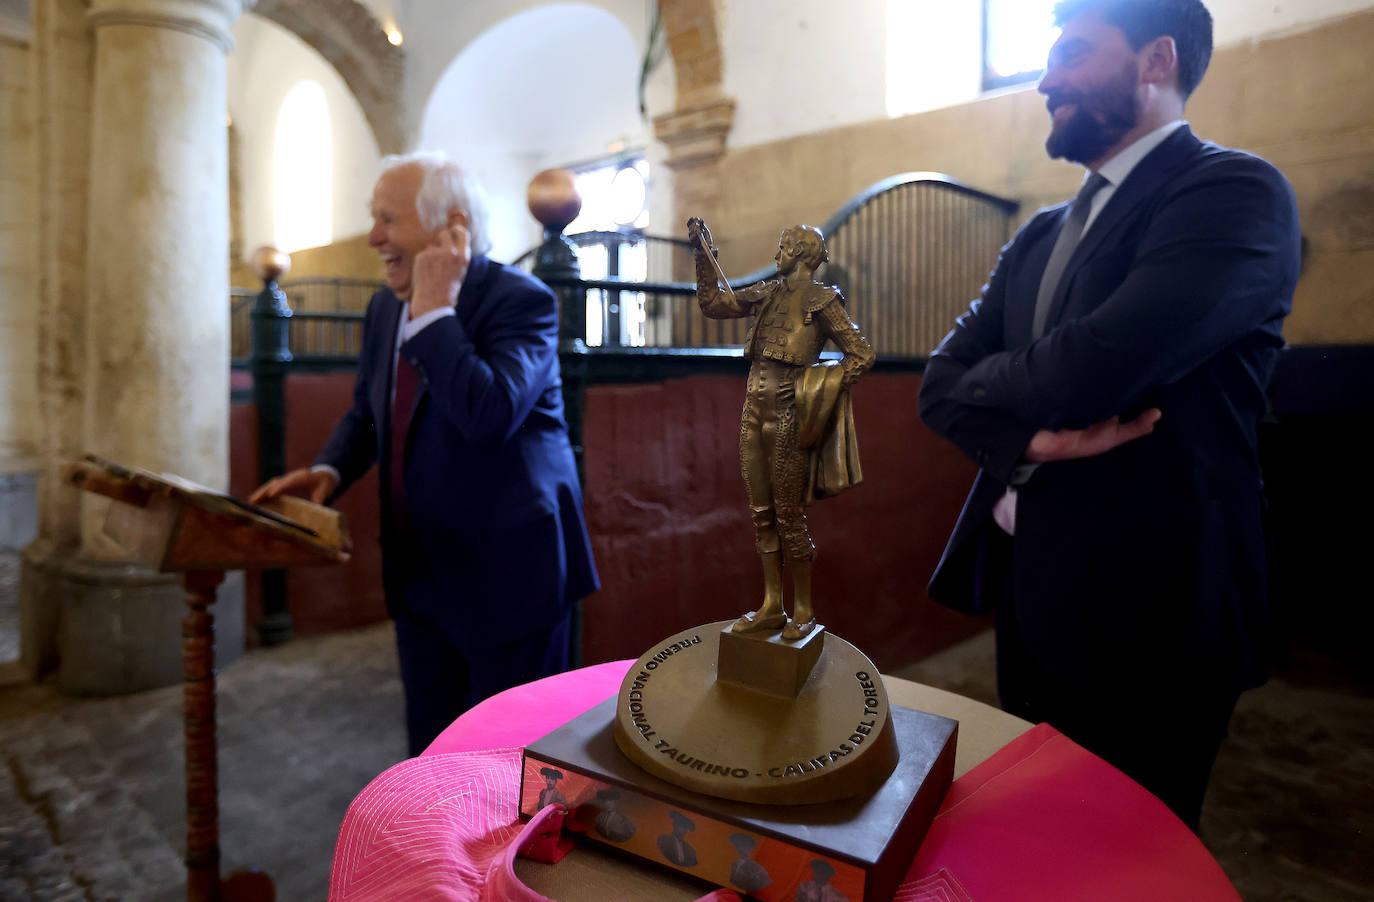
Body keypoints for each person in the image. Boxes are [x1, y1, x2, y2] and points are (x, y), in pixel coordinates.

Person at [917, 0, 1300, 830]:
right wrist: (1030, 436)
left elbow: (1095, 368)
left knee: (1132, 851)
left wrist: (1014, 394)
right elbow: (935, 384)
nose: (1049, 79)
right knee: (1040, 832)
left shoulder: (1234, 192)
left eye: (1077, 53)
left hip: (1157, 607)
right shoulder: (1042, 231)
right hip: (1035, 593)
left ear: (1157, 59)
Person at [250, 151, 599, 756]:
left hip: (510, 576)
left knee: (506, 768)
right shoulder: (384, 305)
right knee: (431, 759)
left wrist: (436, 311)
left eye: (388, 219)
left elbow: (489, 416)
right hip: (419, 575)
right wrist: (331, 467)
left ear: (451, 225)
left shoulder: (524, 302)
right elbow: (370, 408)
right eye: (373, 218)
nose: (373, 237)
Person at [689, 219, 875, 640]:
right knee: (761, 515)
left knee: (790, 516)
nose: (777, 254)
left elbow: (860, 354)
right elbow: (714, 304)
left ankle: (803, 609)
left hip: (789, 412)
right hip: (752, 408)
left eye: (784, 246)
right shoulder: (769, 292)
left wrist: (819, 387)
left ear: (803, 253)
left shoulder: (823, 300)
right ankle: (773, 605)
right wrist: (704, 254)